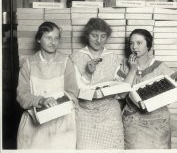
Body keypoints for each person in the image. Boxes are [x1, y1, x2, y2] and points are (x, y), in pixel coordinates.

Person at [16, 21, 79, 149]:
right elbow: (22, 94)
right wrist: (42, 100)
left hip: (62, 123)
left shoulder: (66, 61)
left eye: (56, 38)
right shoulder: (28, 63)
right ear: (39, 39)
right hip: (35, 122)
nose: (53, 42)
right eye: (48, 38)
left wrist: (58, 103)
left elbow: (72, 92)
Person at [119, 29, 177, 149]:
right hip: (133, 122)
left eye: (139, 43)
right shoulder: (125, 66)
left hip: (158, 122)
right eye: (131, 43)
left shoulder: (160, 66)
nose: (134, 47)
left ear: (148, 46)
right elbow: (121, 95)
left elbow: (174, 89)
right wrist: (132, 70)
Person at [71, 18, 124, 149]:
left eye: (103, 36)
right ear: (87, 35)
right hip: (85, 113)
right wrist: (88, 74)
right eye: (94, 35)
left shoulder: (114, 58)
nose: (98, 40)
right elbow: (74, 90)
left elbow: (121, 88)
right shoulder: (75, 57)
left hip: (110, 114)